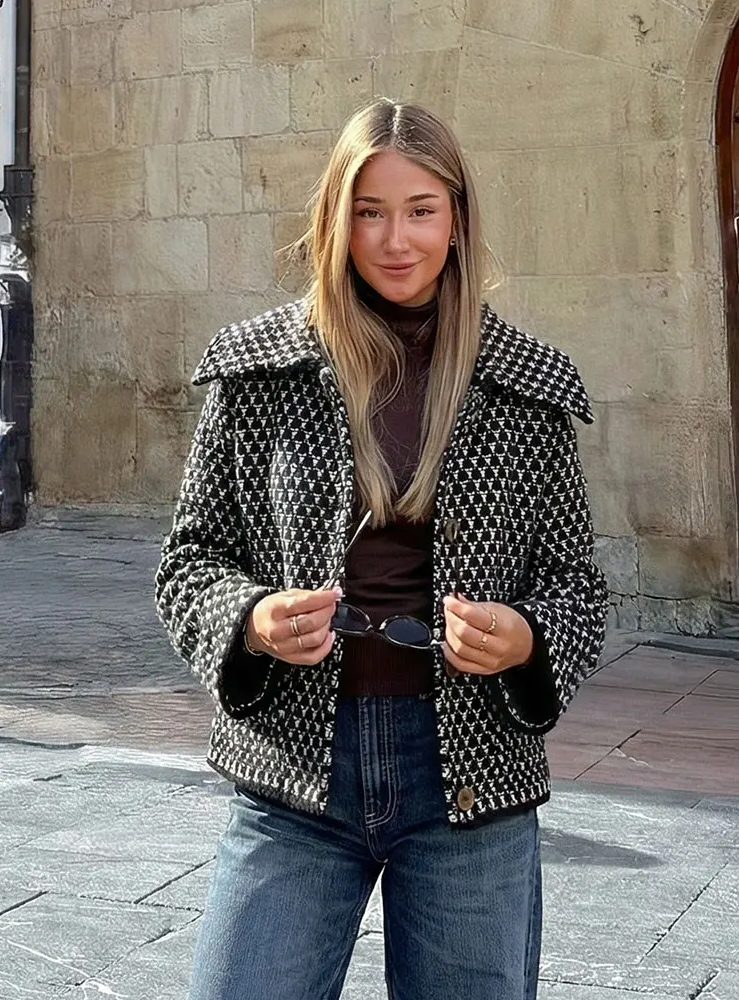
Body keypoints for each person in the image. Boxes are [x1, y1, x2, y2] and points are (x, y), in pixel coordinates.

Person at [156, 98, 608, 1000]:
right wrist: (252, 619)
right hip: (292, 772)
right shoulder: (260, 371)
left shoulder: (528, 385)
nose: (396, 240)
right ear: (336, 219)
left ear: (457, 220)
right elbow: (189, 561)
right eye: (369, 212)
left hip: (472, 777)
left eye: (420, 211)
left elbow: (578, 590)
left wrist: (525, 637)